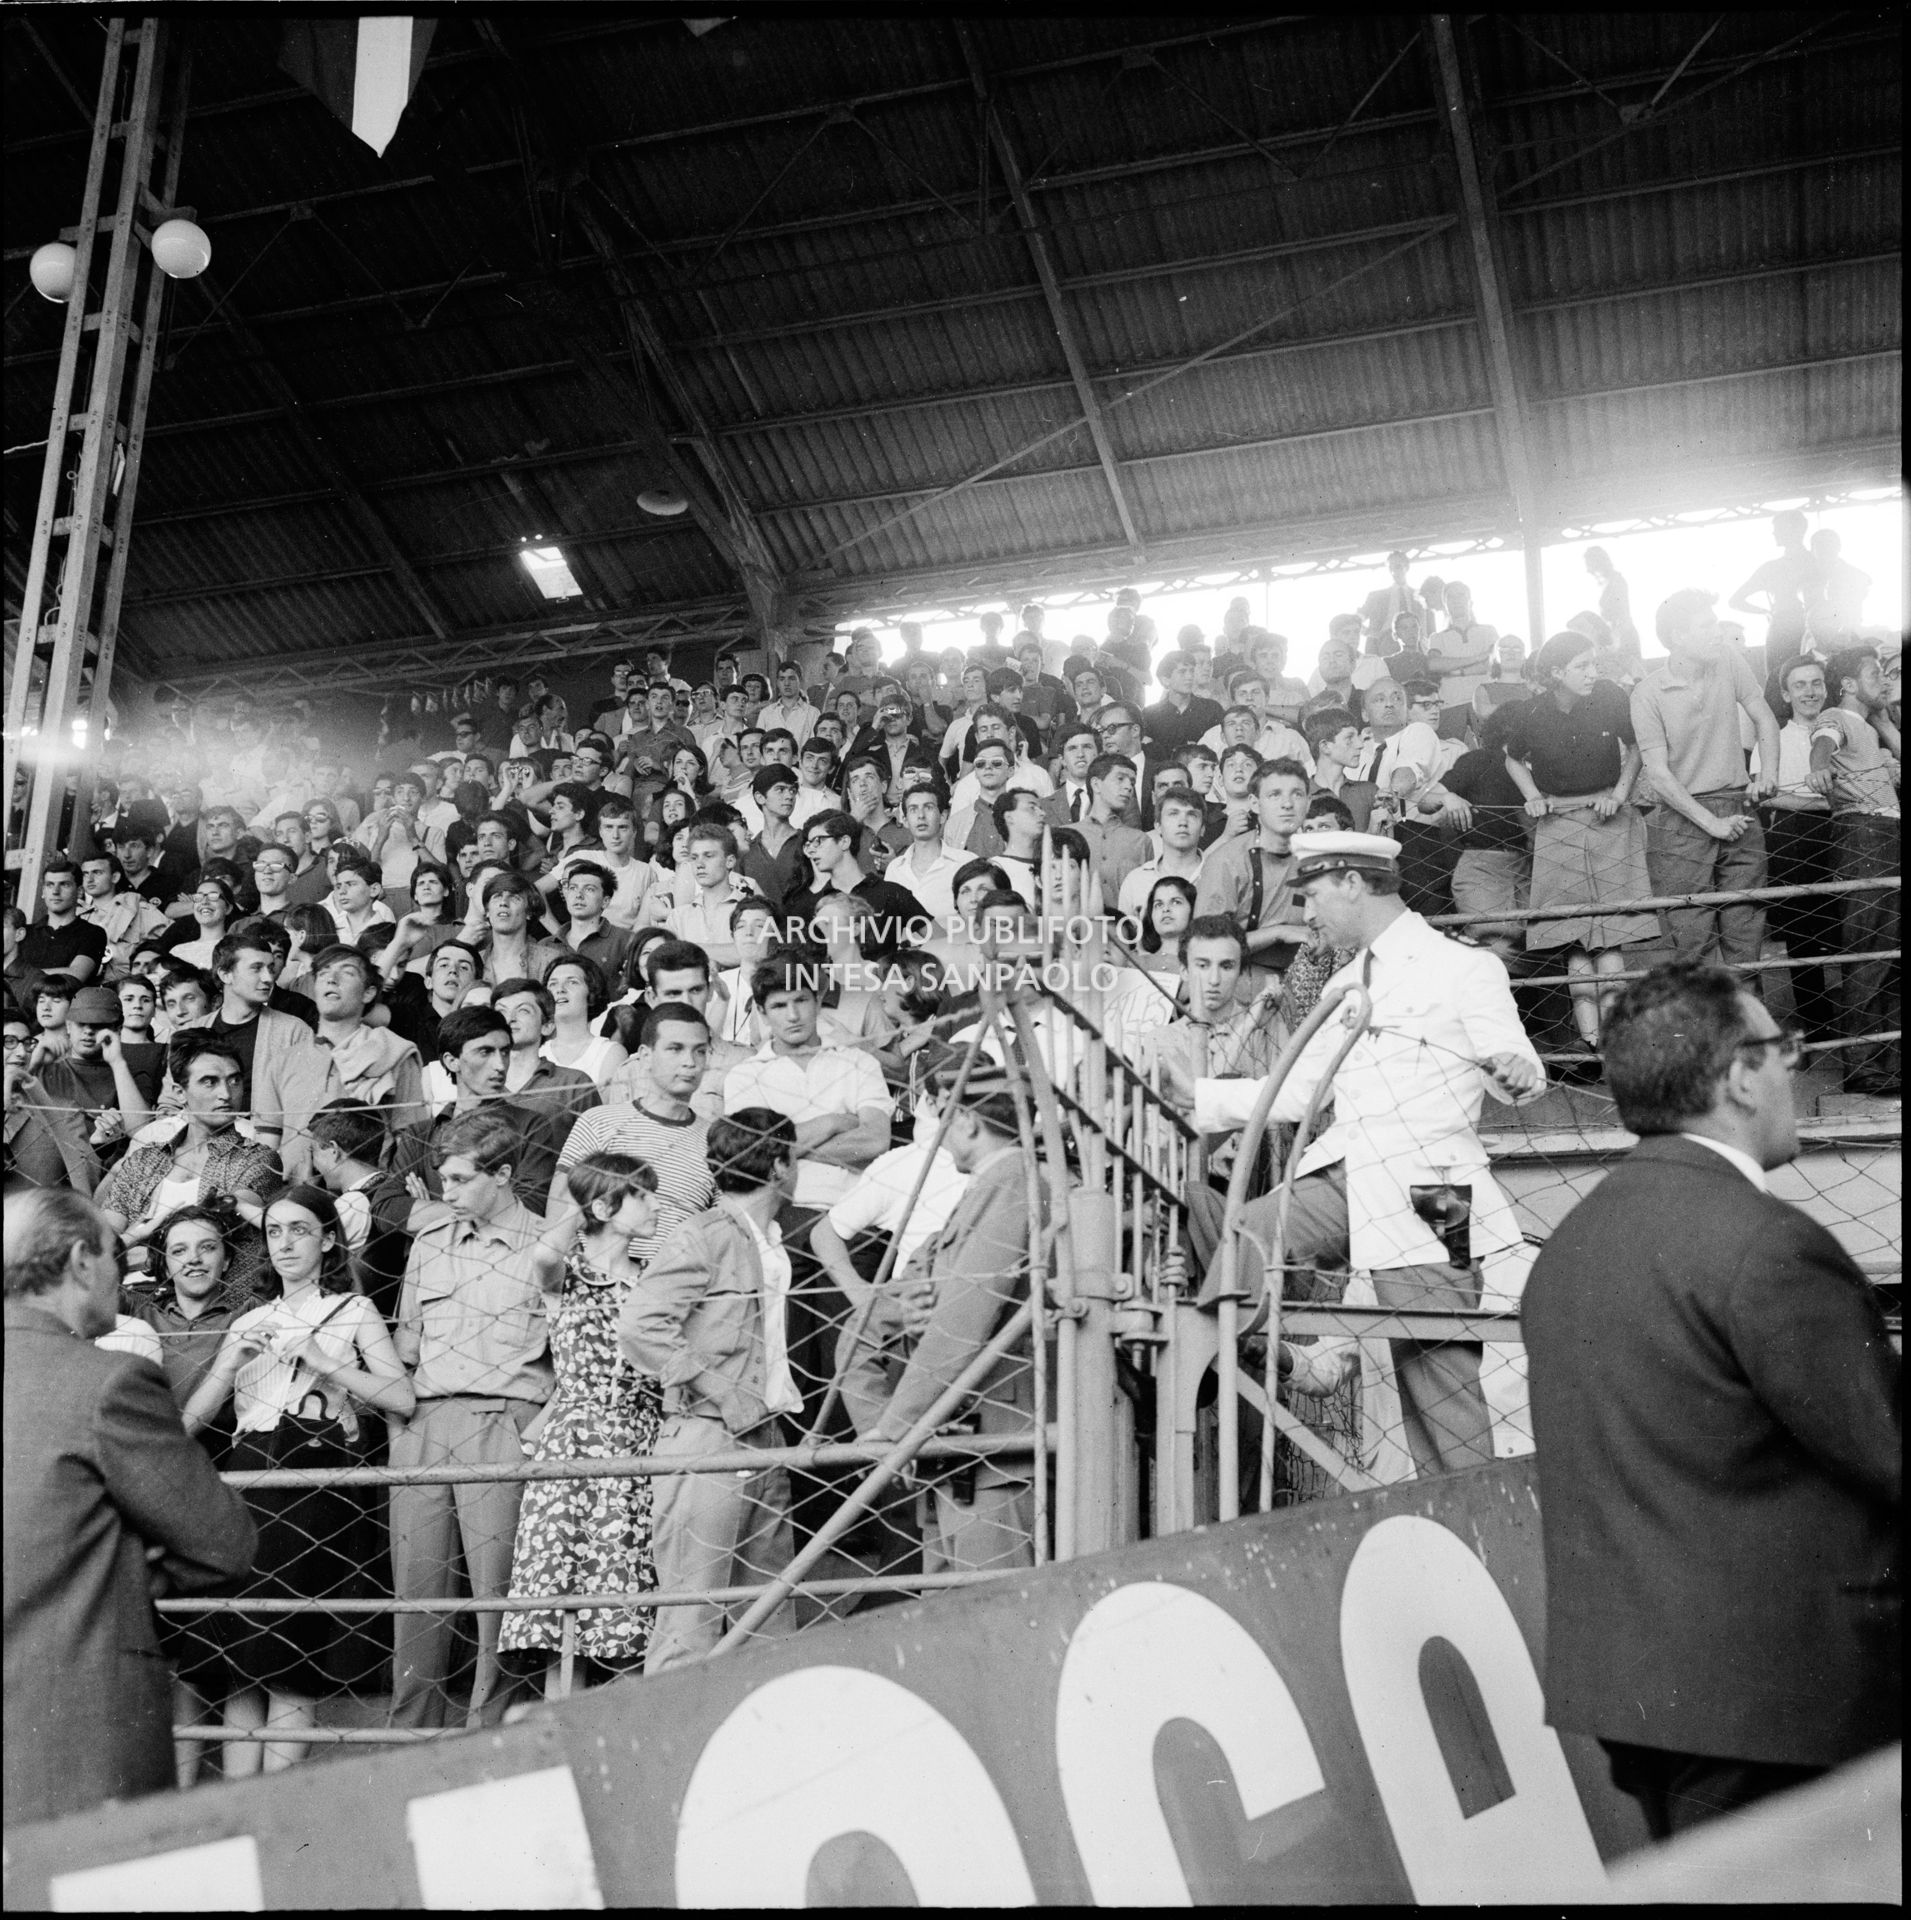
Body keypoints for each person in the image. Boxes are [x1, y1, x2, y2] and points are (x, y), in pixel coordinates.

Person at [1522, 963, 1900, 1839]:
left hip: (1646, 1697)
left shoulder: (1572, 1244)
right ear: (1737, 1076)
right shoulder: (1765, 1246)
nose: (1792, 1075)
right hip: (1783, 1697)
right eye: (1781, 1052)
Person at [1170, 832, 1546, 1478]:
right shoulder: (1344, 982)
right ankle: (1194, 1362)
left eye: (1312, 897)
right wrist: (1200, 1099)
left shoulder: (1462, 966)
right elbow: (1296, 1091)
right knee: (1238, 1233)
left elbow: (1520, 1065)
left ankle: (1474, 1529)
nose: (1306, 915)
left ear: (1351, 882)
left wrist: (1516, 1071)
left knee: (1438, 1385)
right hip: (1344, 1178)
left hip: (1436, 1196)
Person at [3, 1190, 256, 1826]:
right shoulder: (107, 1381)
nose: (125, 1274)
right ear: (83, 1260)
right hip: (82, 1736)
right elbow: (223, 1544)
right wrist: (118, 1573)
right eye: (118, 1256)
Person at [181, 1186, 412, 1773]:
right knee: (241, 1657)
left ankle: (275, 1804)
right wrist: (231, 1363)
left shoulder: (351, 1310)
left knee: (289, 1656)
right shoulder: (250, 1319)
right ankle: (240, 1808)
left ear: (328, 1239)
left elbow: (400, 1397)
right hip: (246, 1475)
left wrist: (327, 1361)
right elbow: (190, 1421)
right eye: (275, 1231)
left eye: (300, 1230)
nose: (284, 1243)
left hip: (310, 1479)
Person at [387, 1111, 553, 1730]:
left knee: (498, 1599)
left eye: (458, 1181)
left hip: (505, 1421)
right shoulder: (429, 1244)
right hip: (425, 1423)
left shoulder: (547, 1245)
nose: (445, 1194)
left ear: (504, 1174)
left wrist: (532, 1433)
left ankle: (489, 1737)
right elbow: (406, 1351)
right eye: (442, 1180)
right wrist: (401, 1440)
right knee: (418, 1597)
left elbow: (573, 1353)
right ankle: (412, 1736)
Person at [622, 1109, 802, 1669]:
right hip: (707, 1435)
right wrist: (721, 1391)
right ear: (780, 1165)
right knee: (690, 1622)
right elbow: (639, 1326)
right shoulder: (703, 1236)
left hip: (763, 1433)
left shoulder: (766, 1240)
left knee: (769, 1619)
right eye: (795, 1158)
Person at [844, 1064, 1039, 1572]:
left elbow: (961, 1322)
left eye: (944, 1120)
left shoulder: (1012, 1184)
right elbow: (886, 1316)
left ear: (970, 1122)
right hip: (957, 1448)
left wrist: (893, 1430)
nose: (939, 1138)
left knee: (988, 1618)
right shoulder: (985, 1190)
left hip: (990, 1452)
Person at [501, 1152, 664, 1690]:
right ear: (609, 1205)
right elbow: (544, 1255)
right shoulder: (570, 1272)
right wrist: (584, 1201)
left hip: (641, 1438)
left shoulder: (652, 1276)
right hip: (578, 1440)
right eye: (643, 1194)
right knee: (565, 1614)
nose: (655, 1203)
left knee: (627, 1607)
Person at [1502, 631, 1658, 1061]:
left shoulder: (1609, 696)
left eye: (1594, 663)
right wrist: (1533, 795)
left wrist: (1620, 793)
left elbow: (1637, 747)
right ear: (1556, 673)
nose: (1593, 672)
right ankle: (1590, 1044)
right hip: (1557, 825)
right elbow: (1511, 757)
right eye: (1582, 666)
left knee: (1610, 937)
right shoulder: (1533, 712)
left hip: (1609, 818)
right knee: (1574, 940)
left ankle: (1615, 1040)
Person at [1816, 647, 1901, 1094]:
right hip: (1863, 836)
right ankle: (1862, 1065)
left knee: (1893, 952)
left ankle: (1891, 1059)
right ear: (1848, 683)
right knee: (1868, 948)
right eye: (1873, 673)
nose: (1883, 681)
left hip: (1889, 835)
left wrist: (1886, 722)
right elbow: (1823, 742)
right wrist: (1817, 770)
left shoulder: (1872, 727)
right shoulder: (1837, 715)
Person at [1751, 655, 1841, 1043]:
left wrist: (1792, 797)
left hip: (1843, 835)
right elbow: (1763, 797)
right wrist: (1822, 802)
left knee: (1849, 927)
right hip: (1797, 840)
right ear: (1786, 694)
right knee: (1802, 935)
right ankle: (1815, 1025)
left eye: (1816, 683)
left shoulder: (1845, 729)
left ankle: (1858, 1019)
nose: (1810, 692)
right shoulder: (1774, 739)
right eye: (1800, 685)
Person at [1193, 759, 1312, 988]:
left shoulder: (1316, 858)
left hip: (1304, 981)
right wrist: (1279, 932)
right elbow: (1208, 946)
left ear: (1307, 803)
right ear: (1255, 804)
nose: (1287, 804)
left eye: (1297, 794)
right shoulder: (1227, 861)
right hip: (1238, 981)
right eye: (1274, 795)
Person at [1729, 508, 1818, 674]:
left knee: (1782, 680)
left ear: (1795, 529)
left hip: (1783, 629)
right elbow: (1734, 601)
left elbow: (1735, 600)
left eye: (1778, 528)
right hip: (1810, 628)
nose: (1773, 533)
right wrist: (1766, 611)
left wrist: (1766, 612)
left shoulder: (1772, 568)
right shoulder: (1816, 562)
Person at [19, 857, 109, 985]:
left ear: (79, 892)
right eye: (50, 885)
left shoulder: (93, 933)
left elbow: (76, 975)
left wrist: (19, 975)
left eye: (64, 884)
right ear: (43, 892)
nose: (55, 892)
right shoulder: (24, 933)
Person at [1358, 550, 1426, 649]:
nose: (1394, 572)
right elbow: (1356, 619)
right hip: (1384, 643)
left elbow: (1428, 628)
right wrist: (1369, 633)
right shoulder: (1376, 597)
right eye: (1391, 568)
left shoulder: (1420, 596)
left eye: (1397, 566)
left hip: (1415, 644)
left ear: (1407, 567)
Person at [1582, 546, 1640, 656]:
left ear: (1598, 561)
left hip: (1623, 637)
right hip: (1617, 636)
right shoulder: (1610, 582)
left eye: (1589, 564)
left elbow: (1623, 615)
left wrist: (1616, 641)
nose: (1588, 569)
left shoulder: (1616, 582)